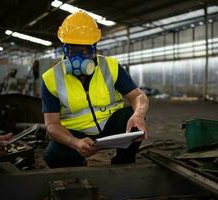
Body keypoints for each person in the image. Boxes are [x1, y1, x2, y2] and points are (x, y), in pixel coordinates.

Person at [42, 11, 149, 168]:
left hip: (110, 127)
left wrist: (138, 114)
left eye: (84, 52)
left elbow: (138, 96)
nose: (77, 59)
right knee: (54, 156)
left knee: (133, 122)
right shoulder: (51, 78)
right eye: (72, 51)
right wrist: (74, 142)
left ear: (94, 49)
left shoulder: (111, 67)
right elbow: (51, 124)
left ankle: (123, 162)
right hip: (77, 133)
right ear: (64, 49)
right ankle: (78, 163)